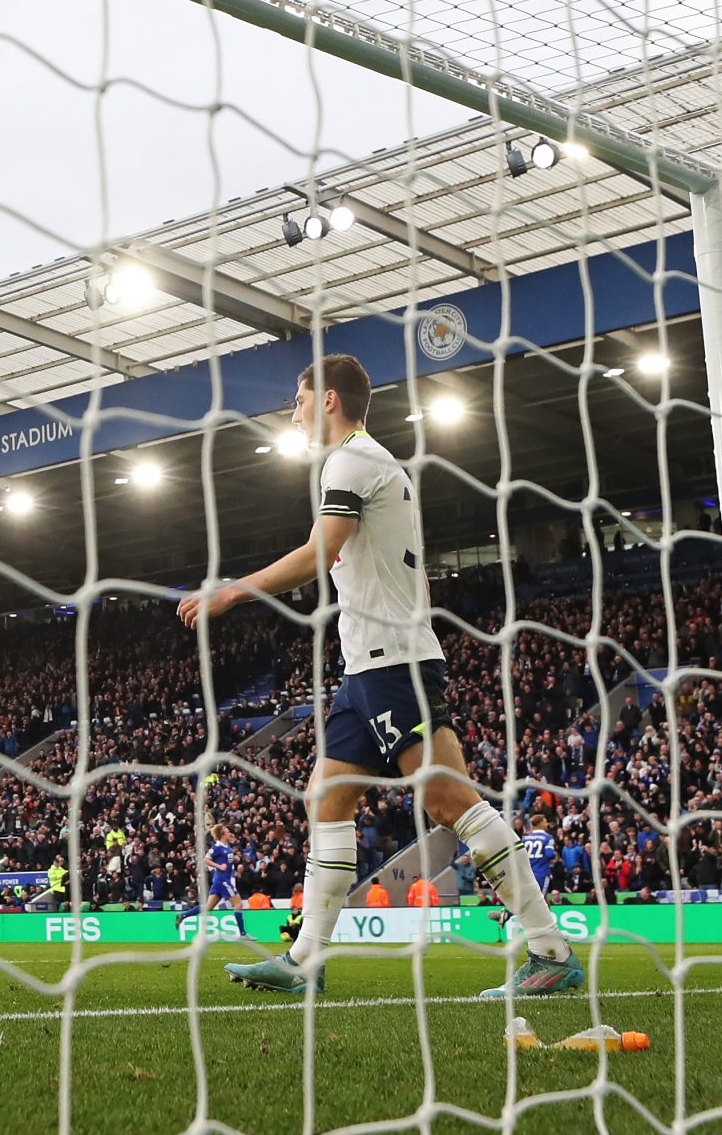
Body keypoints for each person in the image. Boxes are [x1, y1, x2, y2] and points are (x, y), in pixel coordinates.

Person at [179, 355, 583, 1000]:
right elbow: (405, 571)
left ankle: (549, 949)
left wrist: (235, 592)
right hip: (374, 662)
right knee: (329, 799)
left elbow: (320, 552)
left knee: (447, 802)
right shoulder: (379, 466)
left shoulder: (352, 462)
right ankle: (304, 960)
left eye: (300, 398)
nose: (296, 411)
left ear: (331, 399)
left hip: (392, 662)